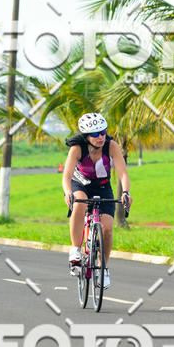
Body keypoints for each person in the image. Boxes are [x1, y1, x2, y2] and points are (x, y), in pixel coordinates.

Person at [62, 113, 132, 289]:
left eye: (102, 132)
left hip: (102, 186)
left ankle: (103, 269)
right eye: (95, 134)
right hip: (81, 184)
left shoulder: (111, 146)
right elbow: (67, 176)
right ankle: (75, 251)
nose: (100, 137)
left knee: (107, 229)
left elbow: (123, 173)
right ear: (86, 136)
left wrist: (125, 192)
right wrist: (68, 193)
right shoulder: (77, 148)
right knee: (79, 203)